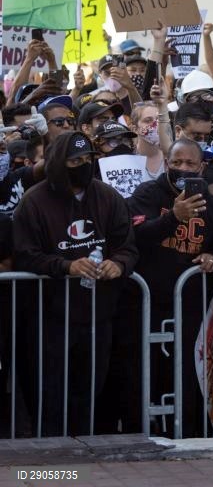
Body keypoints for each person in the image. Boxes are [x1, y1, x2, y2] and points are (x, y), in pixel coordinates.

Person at [13, 131, 138, 436]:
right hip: (50, 317)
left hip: (98, 315)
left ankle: (86, 457)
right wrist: (67, 266)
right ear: (58, 163)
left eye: (87, 159)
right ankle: (52, 461)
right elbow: (25, 256)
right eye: (74, 160)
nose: (82, 165)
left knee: (90, 391)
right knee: (50, 393)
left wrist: (117, 264)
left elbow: (128, 246)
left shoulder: (108, 197)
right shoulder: (34, 202)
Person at [126, 138, 213, 437]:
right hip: (146, 305)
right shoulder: (147, 193)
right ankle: (141, 433)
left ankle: (184, 433)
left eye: (190, 163)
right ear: (167, 164)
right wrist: (174, 217)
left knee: (183, 373)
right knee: (144, 372)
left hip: (188, 307)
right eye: (177, 162)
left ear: (201, 167)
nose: (183, 168)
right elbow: (137, 235)